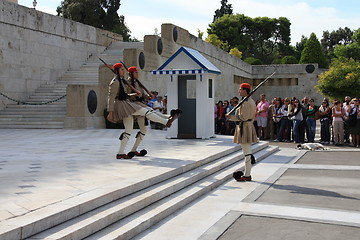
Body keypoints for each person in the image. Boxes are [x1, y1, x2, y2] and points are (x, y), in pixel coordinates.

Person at [107, 63, 179, 159]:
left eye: (123, 70)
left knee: (128, 131)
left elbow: (126, 95)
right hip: (123, 105)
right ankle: (166, 121)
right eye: (121, 70)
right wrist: (110, 112)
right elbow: (111, 98)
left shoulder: (122, 81)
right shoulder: (115, 82)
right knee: (146, 111)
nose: (123, 71)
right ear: (117, 71)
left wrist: (138, 95)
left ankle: (120, 153)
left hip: (126, 104)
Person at [226, 83, 258, 182]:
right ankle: (247, 173)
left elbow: (243, 117)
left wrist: (230, 117)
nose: (239, 91)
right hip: (247, 125)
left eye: (240, 89)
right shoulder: (249, 101)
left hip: (245, 126)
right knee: (247, 152)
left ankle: (247, 175)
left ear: (245, 90)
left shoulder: (246, 103)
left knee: (247, 153)